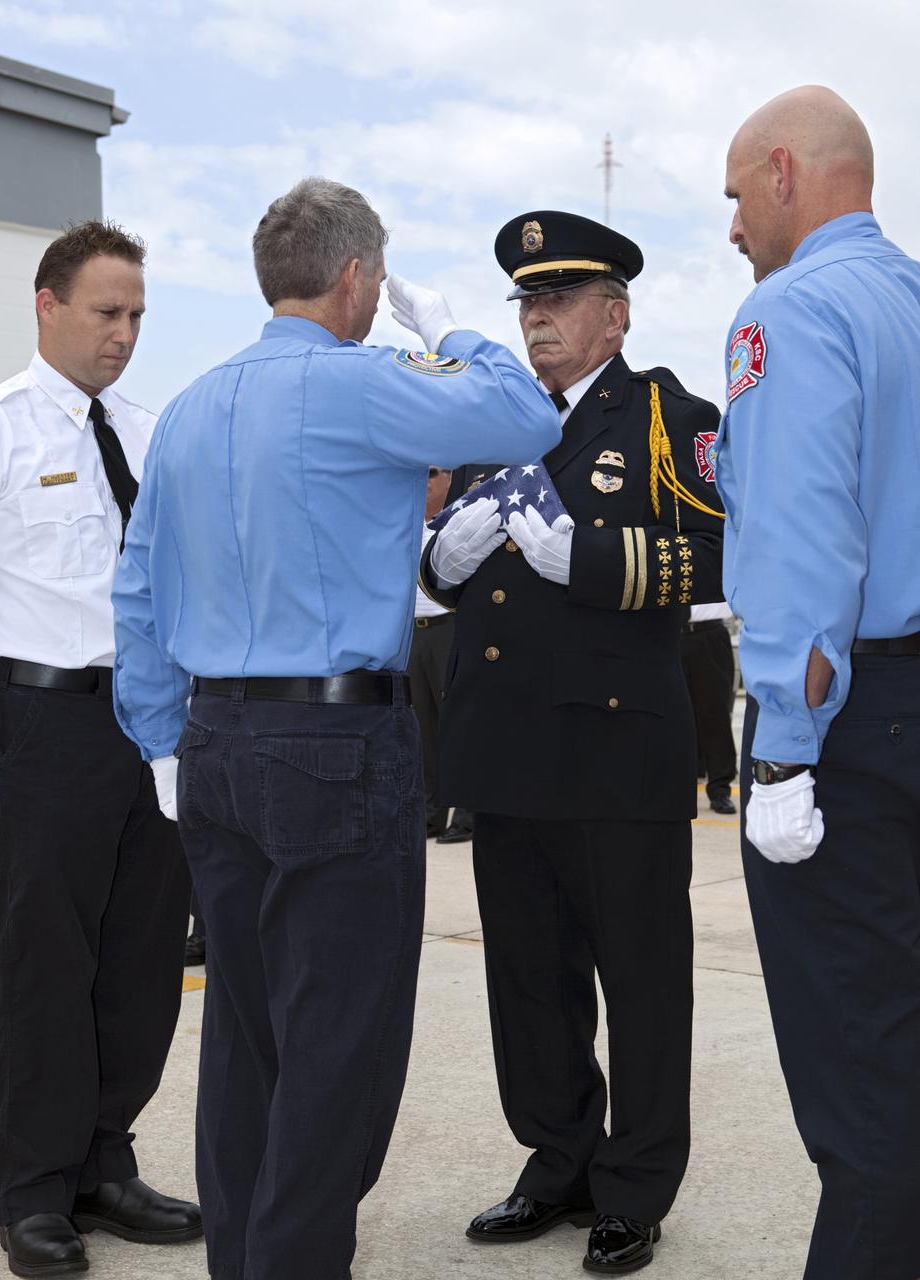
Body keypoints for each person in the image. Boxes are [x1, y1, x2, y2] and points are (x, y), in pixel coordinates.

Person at [111, 177, 561, 1280]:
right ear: (357, 276)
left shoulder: (190, 405)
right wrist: (446, 322)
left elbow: (136, 589)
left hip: (212, 744)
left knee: (247, 1036)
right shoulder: (360, 382)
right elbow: (525, 414)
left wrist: (165, 737)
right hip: (336, 744)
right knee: (339, 1043)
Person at [420, 210, 724, 1274]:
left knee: (641, 980)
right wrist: (436, 559)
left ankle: (634, 1185)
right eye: (526, 302)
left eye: (557, 300)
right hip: (505, 754)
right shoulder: (491, 425)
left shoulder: (663, 415)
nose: (537, 318)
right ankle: (556, 1160)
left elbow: (723, 550)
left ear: (615, 313)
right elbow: (445, 557)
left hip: (613, 756)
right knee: (530, 982)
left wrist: (586, 559)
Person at [716, 85, 920, 1280]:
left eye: (737, 195)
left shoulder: (786, 314)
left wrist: (786, 747)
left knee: (863, 1073)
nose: (733, 226)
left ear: (785, 172)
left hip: (848, 728)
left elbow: (798, 539)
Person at [0, 222, 200, 1278]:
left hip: (149, 723)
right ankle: (29, 1190)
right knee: (39, 968)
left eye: (137, 317)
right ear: (47, 304)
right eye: (107, 313)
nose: (124, 334)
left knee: (141, 956)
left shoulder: (155, 433)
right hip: (40, 723)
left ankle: (102, 1160)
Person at [408, 466, 473, 842]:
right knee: (424, 730)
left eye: (432, 473)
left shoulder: (459, 521)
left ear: (450, 478)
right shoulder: (404, 522)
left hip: (449, 627)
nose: (425, 481)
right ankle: (432, 812)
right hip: (415, 634)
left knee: (457, 725)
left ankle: (468, 814)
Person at [680, 604, 737, 813]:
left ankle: (720, 789)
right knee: (672, 716)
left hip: (710, 634)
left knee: (715, 714)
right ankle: (679, 786)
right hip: (669, 633)